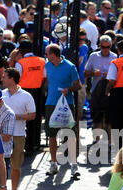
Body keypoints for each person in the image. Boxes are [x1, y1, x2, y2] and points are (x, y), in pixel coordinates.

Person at [43, 43, 82, 178]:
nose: (45, 56)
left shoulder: (70, 66)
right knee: (51, 135)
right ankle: (54, 164)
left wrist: (69, 89)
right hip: (51, 104)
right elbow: (48, 81)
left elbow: (78, 85)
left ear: (53, 55)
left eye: (47, 53)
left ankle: (74, 165)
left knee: (70, 135)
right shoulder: (47, 65)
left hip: (67, 104)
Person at [2, 67, 35, 190]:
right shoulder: (0, 94)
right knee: (0, 165)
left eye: (4, 76)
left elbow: (32, 115)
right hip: (2, 135)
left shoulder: (26, 96)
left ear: (12, 79)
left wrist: (15, 116)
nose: (2, 79)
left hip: (18, 135)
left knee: (16, 165)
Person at [84, 35, 117, 144]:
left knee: (110, 116)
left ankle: (110, 141)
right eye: (103, 47)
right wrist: (94, 73)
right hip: (96, 90)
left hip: (110, 91)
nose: (105, 50)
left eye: (107, 47)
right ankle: (96, 139)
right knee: (96, 116)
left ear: (111, 46)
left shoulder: (114, 57)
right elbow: (85, 73)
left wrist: (110, 75)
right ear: (100, 46)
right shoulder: (94, 56)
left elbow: (118, 75)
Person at [14, 40, 44, 156]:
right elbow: (45, 76)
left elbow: (16, 79)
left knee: (24, 119)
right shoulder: (42, 61)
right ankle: (35, 143)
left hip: (24, 91)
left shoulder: (20, 63)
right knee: (35, 117)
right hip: (37, 91)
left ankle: (26, 145)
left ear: (21, 50)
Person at [105, 40, 123, 141]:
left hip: (117, 93)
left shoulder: (115, 63)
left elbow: (112, 81)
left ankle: (118, 143)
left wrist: (107, 91)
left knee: (116, 119)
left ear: (118, 50)